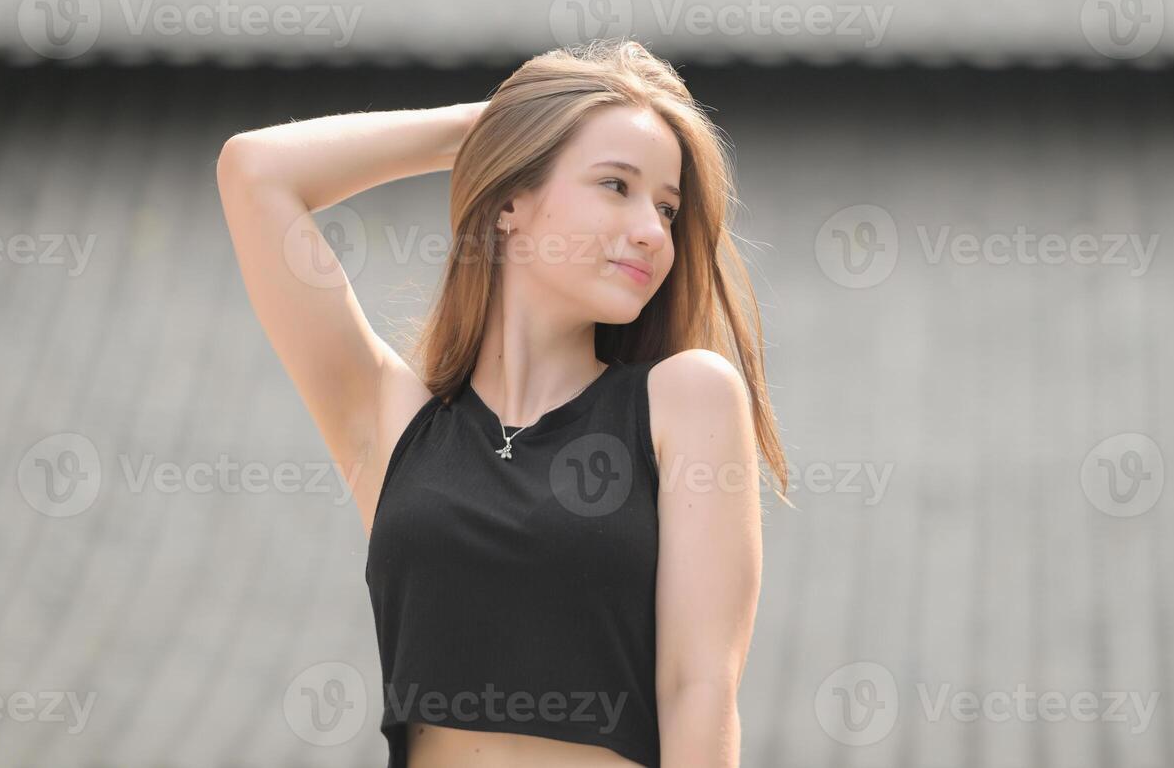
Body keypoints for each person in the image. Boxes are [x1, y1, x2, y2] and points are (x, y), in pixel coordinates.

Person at [216, 38, 790, 767]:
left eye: (669, 207)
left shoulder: (686, 401)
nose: (652, 229)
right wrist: (484, 129)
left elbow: (698, 689)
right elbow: (254, 171)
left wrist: (529, 140)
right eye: (617, 185)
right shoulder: (397, 427)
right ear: (511, 203)